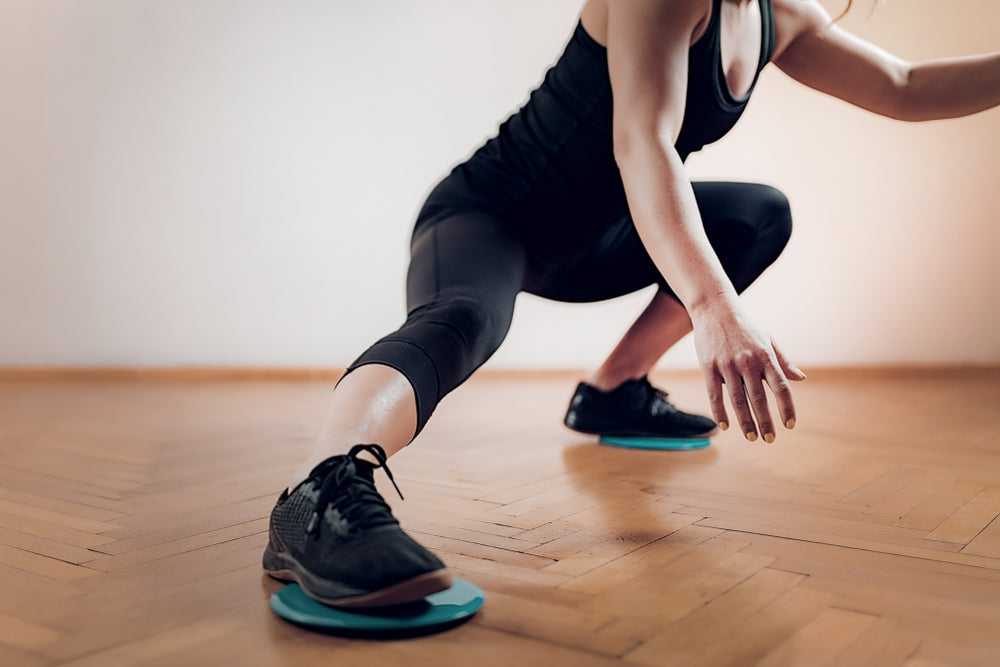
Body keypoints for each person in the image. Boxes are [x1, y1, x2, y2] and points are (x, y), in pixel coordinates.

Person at [262, 0, 1000, 608]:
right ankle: (320, 490)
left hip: (600, 236)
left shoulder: (784, 17)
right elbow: (643, 143)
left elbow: (904, 87)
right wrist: (712, 304)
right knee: (462, 320)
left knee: (757, 215)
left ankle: (613, 392)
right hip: (489, 216)